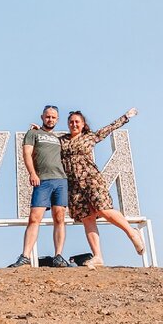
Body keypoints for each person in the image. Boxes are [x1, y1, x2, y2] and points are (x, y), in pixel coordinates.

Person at [60, 108, 145, 267]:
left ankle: (131, 232)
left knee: (103, 209)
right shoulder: (62, 140)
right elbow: (46, 142)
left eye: (77, 121)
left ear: (83, 124)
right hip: (74, 185)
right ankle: (98, 256)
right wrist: (38, 131)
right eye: (71, 122)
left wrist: (126, 117)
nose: (74, 124)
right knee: (87, 218)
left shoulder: (89, 137)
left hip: (91, 179)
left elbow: (108, 129)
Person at [8, 105, 71, 267]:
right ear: (42, 117)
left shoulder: (60, 138)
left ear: (57, 119)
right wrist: (32, 173)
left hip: (60, 180)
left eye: (54, 117)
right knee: (34, 218)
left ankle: (58, 256)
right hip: (42, 180)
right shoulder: (33, 133)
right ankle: (25, 256)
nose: (50, 119)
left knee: (60, 218)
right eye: (48, 116)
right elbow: (26, 153)